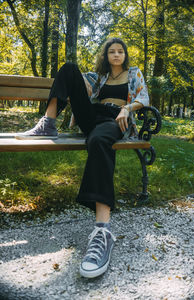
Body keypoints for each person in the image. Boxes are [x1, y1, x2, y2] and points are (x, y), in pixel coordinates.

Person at [16, 37, 149, 278]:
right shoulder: (100, 76)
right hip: (93, 114)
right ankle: (48, 123)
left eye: (120, 51)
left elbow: (143, 98)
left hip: (114, 120)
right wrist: (83, 85)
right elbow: (83, 89)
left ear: (125, 55)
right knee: (68, 67)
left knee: (98, 141)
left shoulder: (134, 74)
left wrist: (126, 108)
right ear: (106, 56)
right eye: (112, 51)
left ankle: (103, 231)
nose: (116, 55)